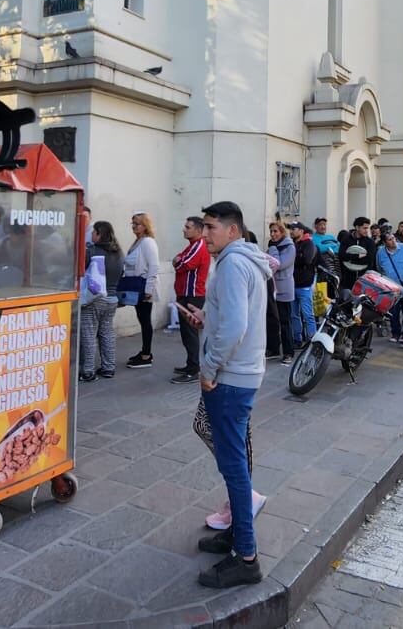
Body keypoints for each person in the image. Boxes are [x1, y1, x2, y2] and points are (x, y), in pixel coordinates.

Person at [177, 201, 268, 589]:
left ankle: (246, 557)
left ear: (233, 230)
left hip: (230, 378)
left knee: (233, 465)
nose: (205, 231)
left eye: (211, 226)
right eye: (205, 225)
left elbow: (235, 327)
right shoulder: (242, 260)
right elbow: (230, 318)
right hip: (241, 374)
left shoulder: (231, 264)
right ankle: (236, 538)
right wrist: (204, 317)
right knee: (235, 463)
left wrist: (209, 369)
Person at [79, 221, 123, 381]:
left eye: (93, 233)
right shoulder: (118, 253)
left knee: (89, 334)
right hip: (112, 299)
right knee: (106, 332)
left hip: (95, 299)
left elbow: (81, 270)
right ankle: (108, 367)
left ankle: (88, 371)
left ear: (99, 234)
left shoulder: (93, 251)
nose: (91, 235)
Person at [171, 216, 211, 385]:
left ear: (198, 230)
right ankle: (191, 364)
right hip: (185, 294)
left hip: (192, 295)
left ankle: (194, 369)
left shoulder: (199, 246)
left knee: (190, 333)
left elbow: (183, 264)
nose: (184, 229)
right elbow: (179, 258)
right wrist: (177, 260)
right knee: (187, 334)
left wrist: (178, 261)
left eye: (188, 227)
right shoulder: (192, 246)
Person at [123, 212, 161, 369]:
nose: (134, 227)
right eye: (132, 224)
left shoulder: (147, 242)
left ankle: (146, 355)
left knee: (145, 320)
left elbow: (153, 266)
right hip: (135, 285)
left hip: (144, 286)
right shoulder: (137, 242)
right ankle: (145, 352)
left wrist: (148, 289)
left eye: (137, 224)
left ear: (145, 226)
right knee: (142, 318)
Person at [264, 222, 296, 364]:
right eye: (271, 231)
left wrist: (272, 248)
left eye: (275, 231)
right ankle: (273, 349)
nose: (272, 234)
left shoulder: (289, 247)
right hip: (271, 289)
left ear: (282, 232)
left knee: (284, 322)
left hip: (284, 290)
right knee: (271, 321)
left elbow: (279, 264)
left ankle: (288, 352)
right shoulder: (273, 246)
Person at [375, 228, 403, 342]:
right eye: (390, 239)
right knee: (393, 313)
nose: (393, 241)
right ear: (384, 242)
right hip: (391, 289)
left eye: (394, 238)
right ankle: (395, 333)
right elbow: (379, 268)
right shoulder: (380, 252)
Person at [288, 222, 319, 347]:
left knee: (308, 315)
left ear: (301, 231)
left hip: (305, 285)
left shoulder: (309, 244)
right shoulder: (292, 244)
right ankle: (297, 339)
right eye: (290, 229)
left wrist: (294, 258)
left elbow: (307, 260)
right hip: (292, 284)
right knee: (294, 315)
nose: (291, 231)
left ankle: (312, 340)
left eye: (294, 229)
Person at [337, 217, 376, 290]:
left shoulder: (370, 242)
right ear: (357, 227)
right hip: (348, 280)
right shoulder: (346, 240)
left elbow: (369, 259)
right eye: (364, 228)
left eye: (367, 228)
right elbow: (342, 256)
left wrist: (350, 260)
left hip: (365, 281)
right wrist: (358, 256)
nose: (367, 230)